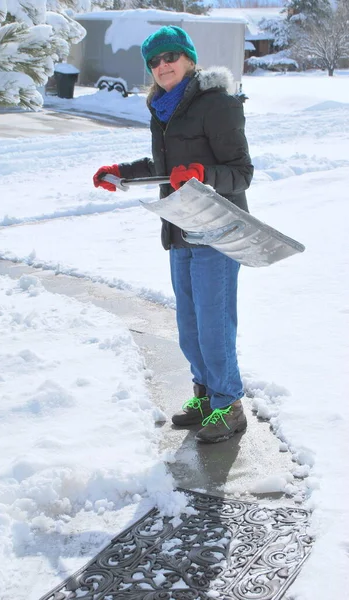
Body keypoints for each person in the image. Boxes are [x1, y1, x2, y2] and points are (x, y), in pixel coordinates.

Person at [93, 26, 253, 443]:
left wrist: (203, 175)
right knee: (189, 322)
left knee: (215, 324)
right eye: (154, 61)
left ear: (188, 59)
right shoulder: (162, 107)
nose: (162, 66)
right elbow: (167, 164)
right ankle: (204, 393)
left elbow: (241, 172)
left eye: (170, 57)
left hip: (217, 230)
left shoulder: (218, 104)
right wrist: (124, 173)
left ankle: (229, 406)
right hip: (180, 228)